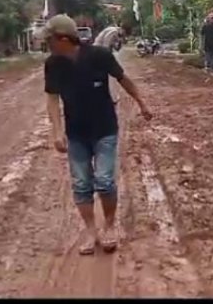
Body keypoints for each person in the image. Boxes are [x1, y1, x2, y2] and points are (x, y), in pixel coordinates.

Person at [42, 14, 153, 256]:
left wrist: (142, 103)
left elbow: (124, 80)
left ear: (63, 38)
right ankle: (91, 231)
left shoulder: (99, 56)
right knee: (82, 185)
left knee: (104, 181)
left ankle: (110, 226)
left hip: (104, 129)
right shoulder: (53, 64)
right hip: (76, 134)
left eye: (50, 39)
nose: (47, 44)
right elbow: (52, 98)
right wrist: (57, 132)